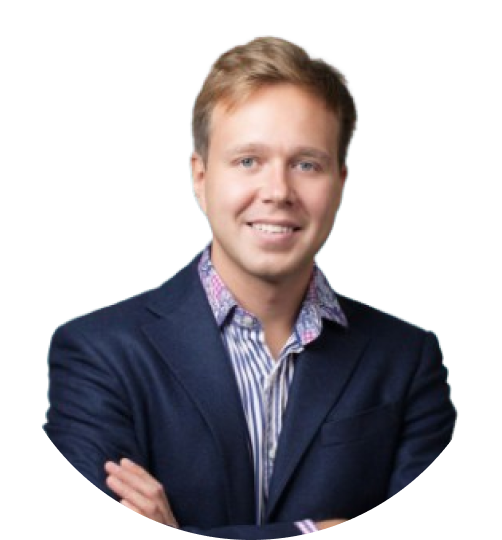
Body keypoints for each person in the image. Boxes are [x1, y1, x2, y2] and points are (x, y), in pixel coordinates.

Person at [43, 35, 457, 537]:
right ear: (199, 177)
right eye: (248, 161)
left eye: (306, 164)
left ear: (340, 182)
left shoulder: (408, 359)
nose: (278, 192)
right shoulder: (98, 353)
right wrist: (312, 530)